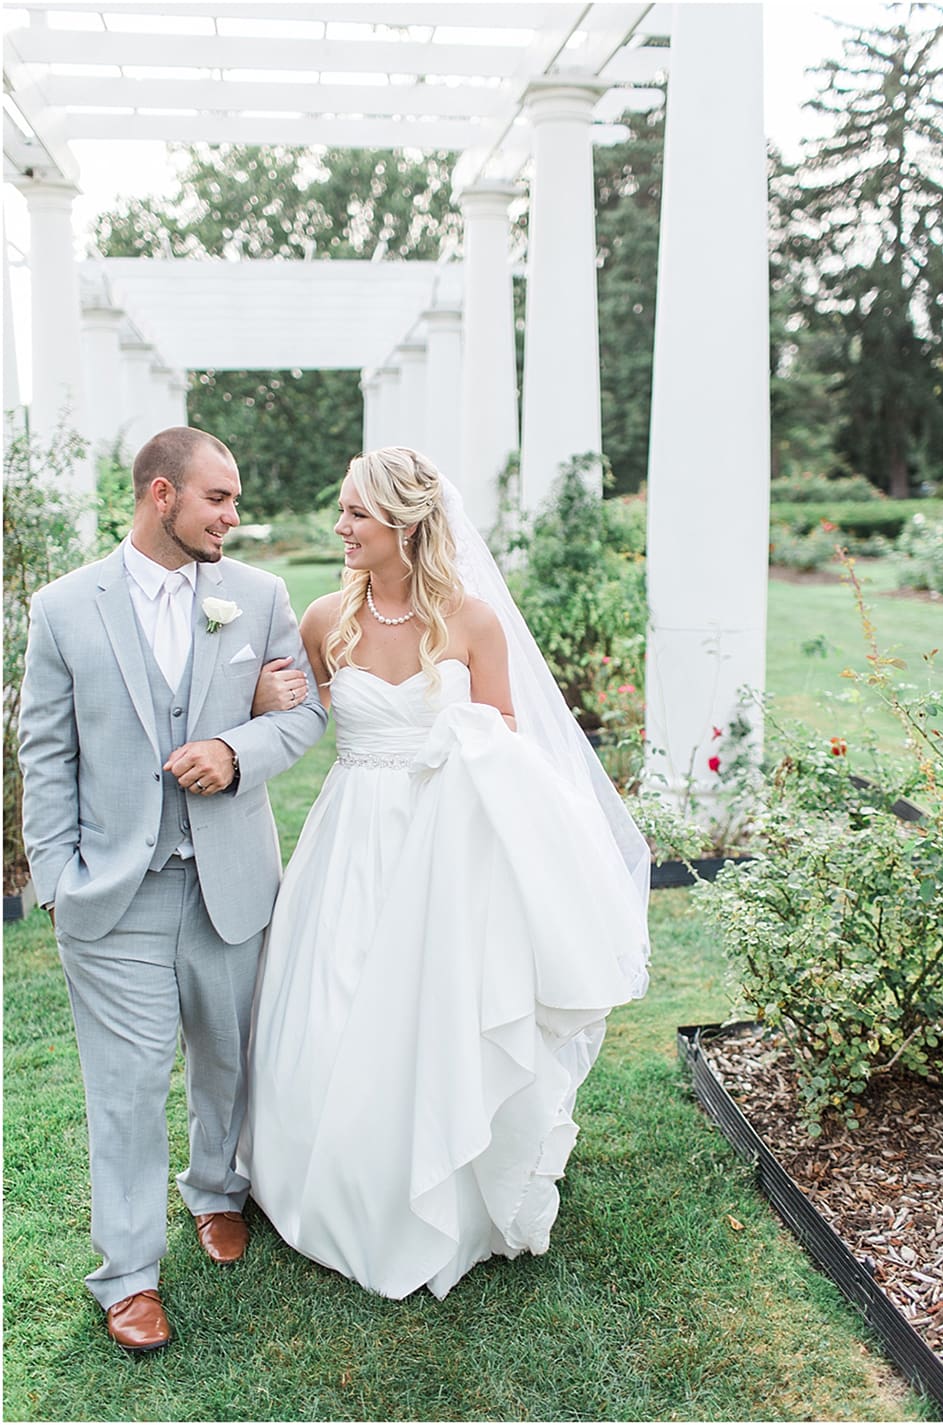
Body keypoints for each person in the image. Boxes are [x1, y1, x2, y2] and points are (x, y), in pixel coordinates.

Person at [241, 446, 649, 1300]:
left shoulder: (471, 623)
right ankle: (330, 1174)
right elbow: (306, 717)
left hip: (446, 841)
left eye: (356, 513)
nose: (341, 526)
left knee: (437, 1003)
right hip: (350, 838)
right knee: (332, 999)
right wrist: (265, 705)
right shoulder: (324, 619)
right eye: (343, 511)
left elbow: (505, 734)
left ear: (406, 523)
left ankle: (443, 1180)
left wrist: (465, 740)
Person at [18, 427, 328, 1352]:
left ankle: (217, 1191)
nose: (233, 517)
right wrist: (56, 881)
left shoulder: (259, 597)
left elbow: (308, 711)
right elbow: (45, 751)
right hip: (114, 893)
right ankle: (127, 1275)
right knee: (126, 1083)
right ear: (162, 495)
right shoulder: (65, 608)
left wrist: (235, 750)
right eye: (218, 500)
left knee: (227, 1059)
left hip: (231, 882)